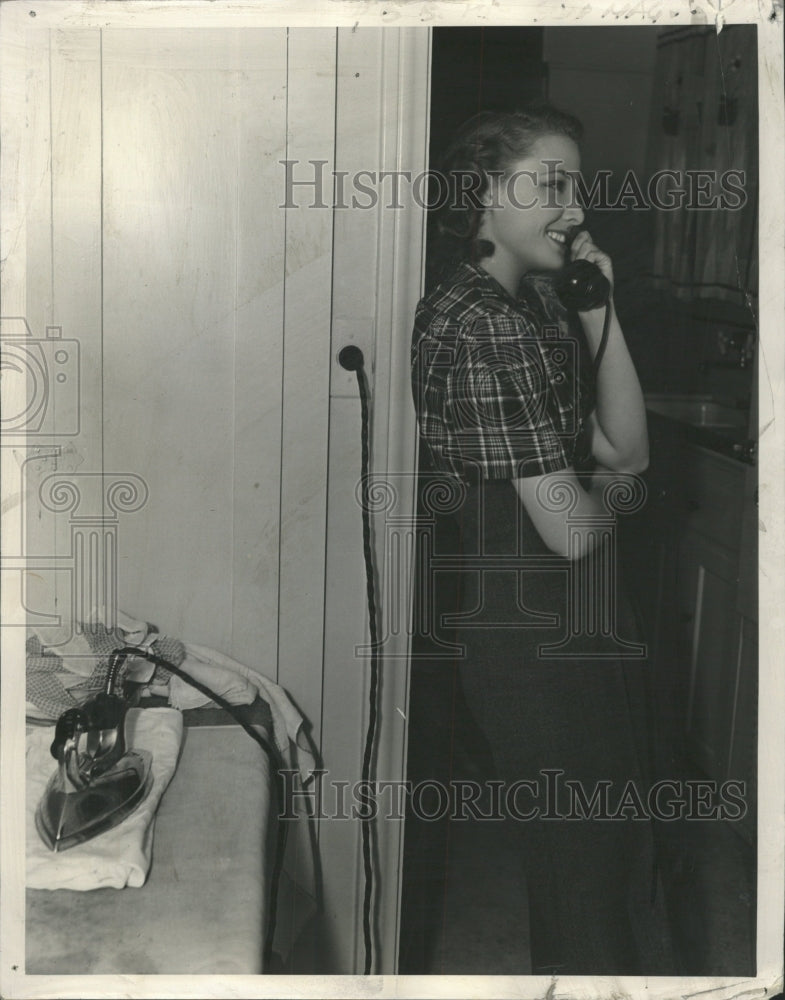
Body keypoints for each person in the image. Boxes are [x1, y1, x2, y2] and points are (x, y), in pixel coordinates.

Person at [408, 106, 676, 975]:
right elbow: (570, 528)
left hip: (572, 619)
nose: (574, 208)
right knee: (582, 870)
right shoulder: (482, 321)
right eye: (550, 185)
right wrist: (612, 496)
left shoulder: (526, 309)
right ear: (484, 194)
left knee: (605, 854)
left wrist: (598, 310)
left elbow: (624, 450)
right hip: (530, 632)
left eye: (577, 186)